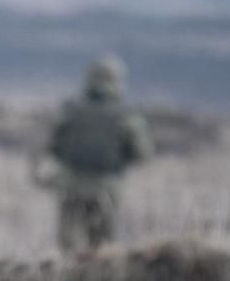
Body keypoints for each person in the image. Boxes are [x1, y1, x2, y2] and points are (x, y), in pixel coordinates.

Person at [43, 55, 153, 253]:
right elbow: (142, 154)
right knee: (103, 252)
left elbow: (51, 144)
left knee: (68, 251)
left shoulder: (71, 111)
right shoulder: (126, 116)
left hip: (71, 186)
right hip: (107, 189)